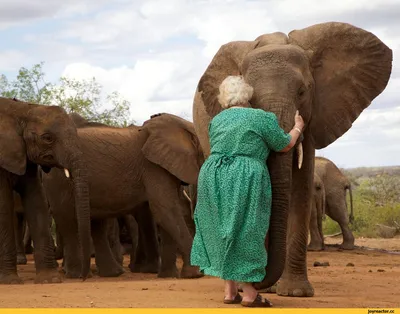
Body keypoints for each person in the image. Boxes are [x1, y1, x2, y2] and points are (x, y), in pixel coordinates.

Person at [190, 75, 304, 307]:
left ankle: (230, 290)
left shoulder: (217, 120)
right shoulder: (260, 117)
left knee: (222, 229)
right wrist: (298, 128)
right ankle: (250, 293)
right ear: (248, 95)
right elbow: (284, 144)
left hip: (213, 174)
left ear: (225, 99)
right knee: (247, 230)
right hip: (244, 175)